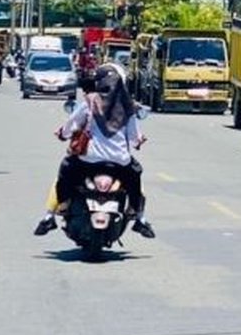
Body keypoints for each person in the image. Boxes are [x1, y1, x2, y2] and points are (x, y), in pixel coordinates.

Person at [34, 63, 154, 238]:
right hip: (120, 162)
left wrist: (62, 134)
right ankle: (140, 219)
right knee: (136, 178)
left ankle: (49, 216)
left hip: (88, 161)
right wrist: (138, 141)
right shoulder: (128, 106)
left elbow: (70, 126)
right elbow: (134, 137)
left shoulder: (89, 103)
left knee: (65, 170)